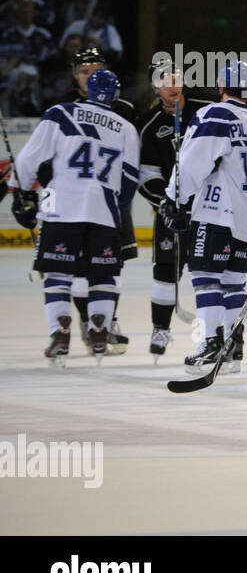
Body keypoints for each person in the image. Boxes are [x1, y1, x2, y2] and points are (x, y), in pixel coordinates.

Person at [11, 70, 139, 366]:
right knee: (104, 274)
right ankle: (99, 328)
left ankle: (60, 330)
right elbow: (130, 179)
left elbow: (29, 160)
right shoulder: (125, 127)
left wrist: (22, 193)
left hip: (61, 207)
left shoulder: (60, 113)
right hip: (104, 211)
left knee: (57, 273)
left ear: (86, 91)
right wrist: (116, 205)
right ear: (116, 96)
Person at [159, 62, 247, 375]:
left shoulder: (215, 114)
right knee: (234, 282)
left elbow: (194, 160)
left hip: (217, 212)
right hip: (245, 215)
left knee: (206, 277)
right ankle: (234, 344)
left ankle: (211, 343)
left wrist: (173, 198)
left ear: (222, 85)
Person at [56, 47, 135, 355]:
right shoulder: (65, 109)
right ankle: (88, 321)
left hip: (111, 200)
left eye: (96, 70)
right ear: (75, 76)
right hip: (75, 202)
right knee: (77, 268)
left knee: (109, 265)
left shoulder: (124, 108)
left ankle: (106, 321)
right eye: (84, 71)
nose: (91, 76)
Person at [135, 58, 210, 359]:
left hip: (208, 210)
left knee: (211, 272)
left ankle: (217, 332)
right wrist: (166, 205)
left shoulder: (206, 110)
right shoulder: (149, 125)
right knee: (165, 270)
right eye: (165, 80)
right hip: (172, 212)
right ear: (156, 87)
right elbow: (146, 175)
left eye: (176, 78)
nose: (172, 85)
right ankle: (160, 328)